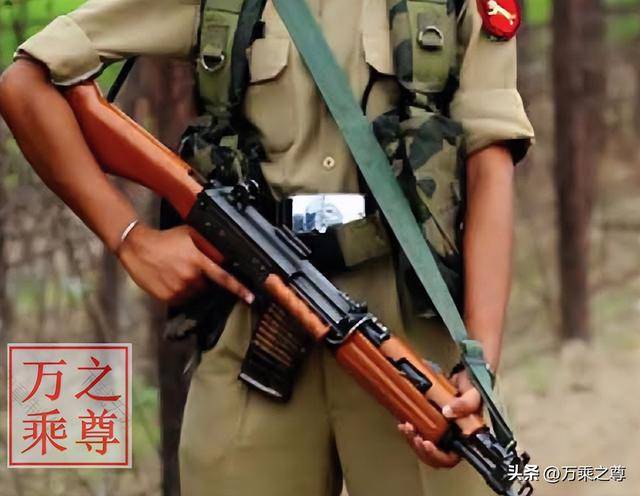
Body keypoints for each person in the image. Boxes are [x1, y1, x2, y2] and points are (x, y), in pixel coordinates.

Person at [0, 0, 534, 495]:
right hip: (252, 321)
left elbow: (489, 162)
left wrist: (478, 364)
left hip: (410, 344)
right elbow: (28, 82)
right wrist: (130, 239)